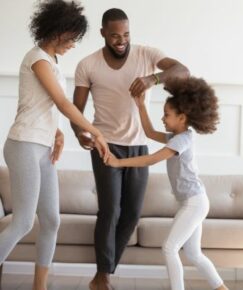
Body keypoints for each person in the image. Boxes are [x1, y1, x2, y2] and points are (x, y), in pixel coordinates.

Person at [70, 8, 190, 290]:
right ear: (102, 34)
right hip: (105, 145)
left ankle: (104, 272)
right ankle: (103, 276)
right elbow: (76, 111)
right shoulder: (87, 65)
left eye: (125, 34)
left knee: (133, 214)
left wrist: (153, 79)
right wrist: (80, 133)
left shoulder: (146, 55)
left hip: (138, 146)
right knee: (110, 210)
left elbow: (183, 71)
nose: (121, 40)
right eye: (114, 36)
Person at [0, 1, 110, 290]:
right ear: (57, 31)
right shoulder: (37, 58)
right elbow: (62, 102)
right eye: (72, 38)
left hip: (43, 146)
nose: (73, 44)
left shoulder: (53, 62)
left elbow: (46, 106)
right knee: (23, 222)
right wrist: (95, 132)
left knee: (51, 220)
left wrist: (59, 134)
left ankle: (40, 287)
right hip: (23, 144)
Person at [106, 77, 229, 290]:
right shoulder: (177, 136)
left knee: (169, 248)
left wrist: (118, 162)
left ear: (182, 117)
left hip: (194, 202)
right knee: (193, 254)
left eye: (166, 115)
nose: (163, 118)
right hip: (192, 201)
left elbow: (152, 158)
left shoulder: (182, 140)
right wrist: (141, 105)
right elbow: (149, 132)